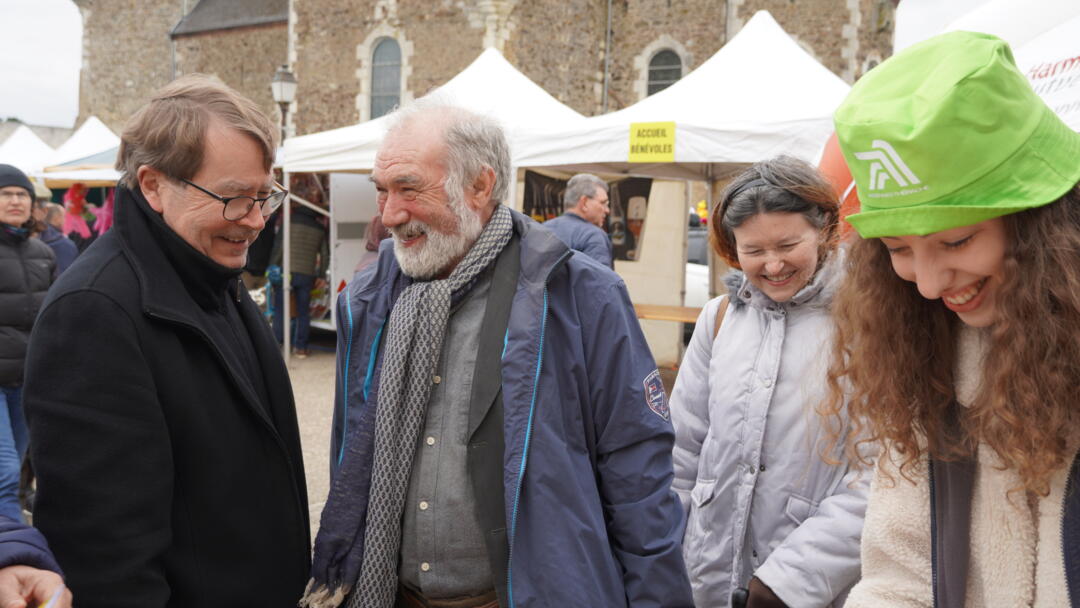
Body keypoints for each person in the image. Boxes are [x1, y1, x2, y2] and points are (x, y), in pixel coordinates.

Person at [301, 102, 692, 608]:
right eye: (382, 190)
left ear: (480, 187)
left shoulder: (581, 296)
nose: (389, 215)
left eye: (408, 188)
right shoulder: (369, 300)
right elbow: (349, 453)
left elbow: (637, 474)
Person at [22, 74, 310, 607]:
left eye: (263, 197)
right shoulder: (93, 312)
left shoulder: (206, 271)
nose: (253, 221)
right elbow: (107, 559)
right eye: (232, 198)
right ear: (153, 185)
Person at [822, 31, 1080, 605]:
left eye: (957, 240)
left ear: (1042, 220)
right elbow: (898, 572)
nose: (931, 284)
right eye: (897, 248)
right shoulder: (924, 352)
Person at [670, 157, 867, 608]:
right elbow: (681, 451)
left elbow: (880, 474)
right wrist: (659, 556)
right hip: (705, 584)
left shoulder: (866, 325)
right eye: (753, 251)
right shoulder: (718, 318)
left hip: (810, 592)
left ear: (824, 231)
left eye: (788, 245)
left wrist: (791, 578)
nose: (773, 264)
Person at [0, 165, 55, 525]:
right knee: (4, 471)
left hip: (26, 377)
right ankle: (14, 548)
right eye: (6, 193)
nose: (16, 200)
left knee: (19, 464)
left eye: (22, 194)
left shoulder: (44, 252)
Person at [270, 200, 329, 358]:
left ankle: (276, 347)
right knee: (303, 312)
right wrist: (322, 275)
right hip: (306, 274)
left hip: (285, 272)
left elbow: (279, 247)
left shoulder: (288, 223)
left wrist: (272, 266)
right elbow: (324, 254)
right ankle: (301, 348)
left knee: (281, 310)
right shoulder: (319, 228)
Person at [542, 173, 613, 267]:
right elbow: (600, 280)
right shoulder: (593, 235)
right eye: (603, 203)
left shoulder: (542, 228)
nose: (607, 210)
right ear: (584, 203)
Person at [36, 203, 77, 275]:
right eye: (64, 217)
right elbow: (66, 275)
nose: (65, 220)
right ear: (57, 218)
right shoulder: (64, 244)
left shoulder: (35, 237)